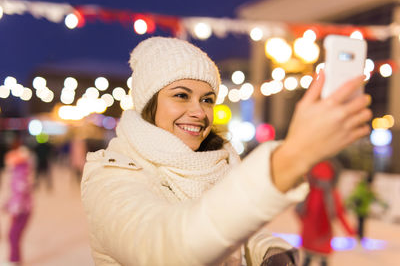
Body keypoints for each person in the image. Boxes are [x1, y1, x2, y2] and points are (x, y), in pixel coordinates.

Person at [80, 36, 372, 266]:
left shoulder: (217, 161)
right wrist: (291, 157)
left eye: (207, 99)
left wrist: (268, 251)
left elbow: (235, 233)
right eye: (181, 95)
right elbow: (168, 247)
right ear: (148, 103)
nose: (199, 111)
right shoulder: (112, 173)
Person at [295, 160, 355, 266]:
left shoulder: (309, 192)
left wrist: (305, 223)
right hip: (323, 235)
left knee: (307, 260)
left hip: (310, 235)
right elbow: (339, 214)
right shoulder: (331, 194)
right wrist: (350, 231)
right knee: (321, 261)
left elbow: (299, 211)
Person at [2, 137, 34, 266]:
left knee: (13, 235)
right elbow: (15, 193)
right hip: (20, 208)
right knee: (13, 235)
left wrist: (13, 207)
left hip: (22, 210)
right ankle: (15, 258)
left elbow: (20, 193)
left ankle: (14, 260)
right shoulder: (18, 172)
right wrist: (8, 204)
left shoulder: (21, 173)